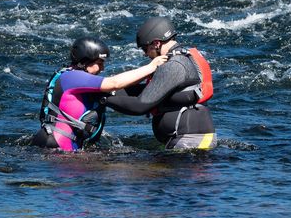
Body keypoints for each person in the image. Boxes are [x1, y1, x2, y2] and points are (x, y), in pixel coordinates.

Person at [30, 37, 169, 151]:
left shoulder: (83, 81)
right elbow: (114, 83)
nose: (102, 68)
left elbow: (126, 86)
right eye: (99, 63)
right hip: (53, 149)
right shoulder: (71, 78)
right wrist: (151, 66)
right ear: (84, 61)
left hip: (64, 150)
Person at [102, 16, 216, 151]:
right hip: (192, 140)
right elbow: (147, 90)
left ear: (156, 43)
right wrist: (101, 89)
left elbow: (140, 106)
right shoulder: (180, 58)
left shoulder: (174, 65)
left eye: (145, 49)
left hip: (190, 143)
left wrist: (104, 100)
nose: (145, 54)